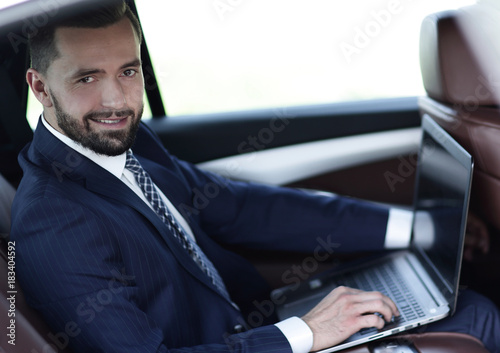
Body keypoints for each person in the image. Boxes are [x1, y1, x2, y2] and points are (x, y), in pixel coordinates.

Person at [10, 2, 500, 352]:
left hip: (254, 323)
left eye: (129, 71)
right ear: (40, 88)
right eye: (87, 78)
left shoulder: (125, 143)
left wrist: (416, 227)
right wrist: (305, 334)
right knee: (475, 315)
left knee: (448, 298)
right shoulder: (52, 220)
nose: (117, 101)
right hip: (246, 342)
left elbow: (241, 208)